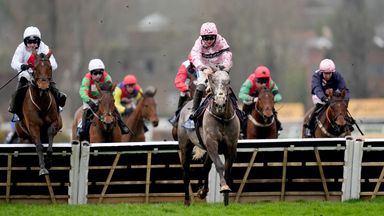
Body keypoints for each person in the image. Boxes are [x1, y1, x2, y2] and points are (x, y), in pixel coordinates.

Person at [9, 26, 66, 119]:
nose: (32, 45)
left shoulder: (44, 47)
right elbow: (13, 62)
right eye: (29, 42)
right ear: (25, 42)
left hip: (41, 75)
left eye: (35, 42)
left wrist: (46, 67)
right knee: (18, 92)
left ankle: (58, 105)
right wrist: (21, 66)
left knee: (51, 84)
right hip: (26, 74)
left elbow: (54, 64)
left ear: (38, 42)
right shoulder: (21, 48)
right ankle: (15, 109)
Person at [183, 22, 233, 129]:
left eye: (211, 37)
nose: (209, 40)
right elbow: (195, 56)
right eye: (206, 38)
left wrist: (224, 66)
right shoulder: (198, 43)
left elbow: (227, 54)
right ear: (202, 37)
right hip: (204, 68)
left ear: (216, 36)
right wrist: (202, 68)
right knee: (200, 86)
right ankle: (194, 113)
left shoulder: (221, 41)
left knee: (225, 86)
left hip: (219, 67)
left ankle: (236, 112)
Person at [78, 59, 131, 140]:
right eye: (95, 73)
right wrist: (89, 101)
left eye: (100, 73)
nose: (98, 76)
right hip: (90, 99)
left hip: (104, 99)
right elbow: (82, 91)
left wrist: (109, 98)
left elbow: (111, 90)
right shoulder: (86, 79)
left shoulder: (107, 77)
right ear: (91, 73)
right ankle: (83, 130)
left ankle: (122, 125)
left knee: (114, 109)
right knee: (86, 111)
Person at [303, 58, 350, 137]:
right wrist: (324, 98)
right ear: (322, 72)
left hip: (333, 96)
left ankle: (348, 125)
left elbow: (344, 89)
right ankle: (309, 128)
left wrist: (345, 100)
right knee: (319, 106)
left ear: (332, 72)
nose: (327, 75)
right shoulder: (316, 76)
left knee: (340, 107)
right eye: (325, 73)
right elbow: (317, 89)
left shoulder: (337, 75)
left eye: (329, 73)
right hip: (318, 96)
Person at [238, 65, 283, 132]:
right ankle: (242, 129)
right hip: (250, 101)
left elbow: (278, 97)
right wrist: (253, 99)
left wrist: (271, 100)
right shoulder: (249, 82)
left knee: (272, 110)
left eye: (265, 81)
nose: (264, 84)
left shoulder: (271, 83)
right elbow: (241, 95)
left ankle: (278, 126)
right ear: (256, 79)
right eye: (261, 81)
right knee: (244, 114)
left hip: (265, 101)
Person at [168, 53, 197, 127]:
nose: (195, 66)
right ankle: (177, 116)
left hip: (203, 85)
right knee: (182, 93)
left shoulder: (205, 63)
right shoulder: (185, 65)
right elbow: (178, 81)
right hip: (188, 88)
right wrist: (186, 89)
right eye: (193, 63)